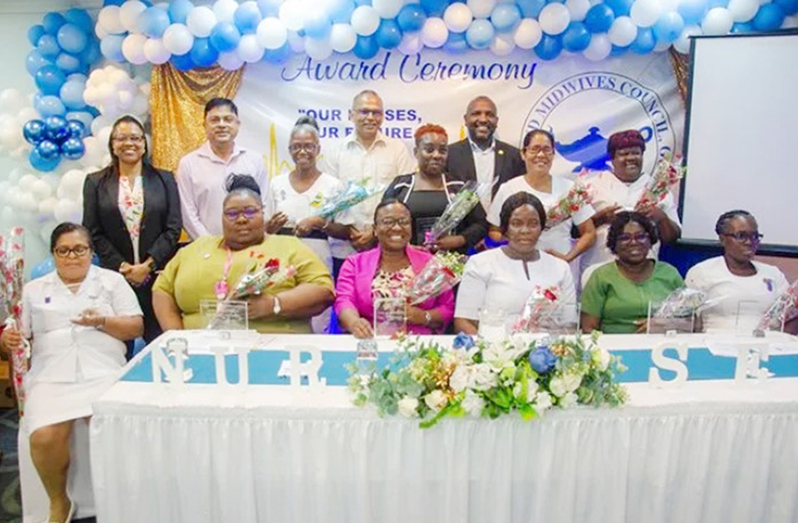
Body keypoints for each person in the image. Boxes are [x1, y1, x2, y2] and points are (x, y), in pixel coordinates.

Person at [0, 223, 143, 523]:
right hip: (50, 374)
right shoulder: (33, 290)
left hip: (102, 370)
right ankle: (58, 502)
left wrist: (102, 321)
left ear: (91, 252)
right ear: (53, 255)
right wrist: (7, 340)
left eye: (79, 249)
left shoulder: (112, 282)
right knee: (45, 435)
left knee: (110, 426)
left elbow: (136, 327)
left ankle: (117, 501)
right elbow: (18, 338)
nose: (72, 256)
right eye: (63, 251)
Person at [153, 174, 334, 334]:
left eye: (250, 212)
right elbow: (162, 289)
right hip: (200, 351)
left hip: (274, 348)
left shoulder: (289, 246)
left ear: (263, 213)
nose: (241, 219)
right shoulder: (195, 249)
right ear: (222, 217)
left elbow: (323, 291)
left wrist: (274, 305)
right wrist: (176, 338)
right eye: (232, 214)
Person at [82, 115, 182, 348]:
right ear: (113, 145)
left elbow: (173, 227)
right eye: (121, 138)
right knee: (117, 347)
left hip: (157, 277)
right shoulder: (95, 182)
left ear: (144, 144)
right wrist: (124, 267)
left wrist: (147, 265)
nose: (129, 143)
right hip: (115, 278)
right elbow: (92, 231)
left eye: (135, 138)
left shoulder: (164, 179)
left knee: (162, 344)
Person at [269, 116, 354, 332]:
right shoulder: (276, 183)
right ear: (289, 149)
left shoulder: (333, 186)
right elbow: (265, 229)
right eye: (297, 147)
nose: (302, 151)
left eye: (308, 146)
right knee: (283, 314)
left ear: (318, 149)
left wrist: (320, 223)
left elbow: (346, 230)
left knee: (318, 320)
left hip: (318, 256)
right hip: (281, 258)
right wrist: (271, 227)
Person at [454, 192, 575, 335]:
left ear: (541, 228)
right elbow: (464, 322)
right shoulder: (481, 263)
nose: (525, 231)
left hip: (547, 353)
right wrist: (488, 353)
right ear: (505, 228)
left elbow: (570, 325)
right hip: (493, 352)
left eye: (533, 224)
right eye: (516, 223)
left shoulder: (561, 268)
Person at [323, 90, 416, 272]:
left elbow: (406, 198)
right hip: (344, 248)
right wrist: (350, 233)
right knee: (347, 299)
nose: (370, 117)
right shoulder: (335, 151)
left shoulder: (397, 149)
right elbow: (330, 201)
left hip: (388, 249)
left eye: (376, 112)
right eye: (364, 111)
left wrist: (375, 233)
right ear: (351, 115)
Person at [336, 200, 455, 338]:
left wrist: (422, 316)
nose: (397, 228)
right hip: (369, 340)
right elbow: (344, 300)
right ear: (374, 229)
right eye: (388, 222)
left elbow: (447, 307)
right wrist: (354, 323)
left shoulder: (431, 262)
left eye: (403, 222)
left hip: (418, 344)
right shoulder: (355, 263)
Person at [488, 129, 596, 276]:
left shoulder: (570, 189)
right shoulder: (508, 188)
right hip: (516, 269)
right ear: (523, 154)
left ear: (553, 155)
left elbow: (589, 233)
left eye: (546, 150)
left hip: (558, 268)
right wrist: (515, 241)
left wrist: (567, 258)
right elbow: (494, 231)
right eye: (535, 149)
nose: (541, 155)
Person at [579, 129, 681, 276]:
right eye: (624, 154)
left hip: (643, 273)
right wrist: (600, 219)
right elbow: (574, 232)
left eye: (636, 153)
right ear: (612, 158)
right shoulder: (591, 186)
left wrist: (661, 217)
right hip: (599, 268)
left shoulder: (658, 188)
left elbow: (672, 237)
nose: (631, 158)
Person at [176, 97, 274, 239]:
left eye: (228, 119)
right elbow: (187, 214)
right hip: (205, 252)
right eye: (215, 120)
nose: (221, 125)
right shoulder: (188, 164)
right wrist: (211, 246)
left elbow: (263, 206)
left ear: (237, 124)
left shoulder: (255, 160)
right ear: (204, 124)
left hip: (249, 248)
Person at [686, 210, 797, 333]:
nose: (749, 242)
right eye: (741, 236)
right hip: (715, 345)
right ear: (723, 239)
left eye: (754, 236)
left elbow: (789, 317)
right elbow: (687, 320)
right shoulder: (703, 272)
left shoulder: (773, 274)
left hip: (766, 346)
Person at [381, 124, 487, 252]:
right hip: (406, 262)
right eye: (429, 149)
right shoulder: (401, 186)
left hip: (451, 263)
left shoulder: (458, 187)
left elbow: (481, 224)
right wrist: (405, 247)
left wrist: (459, 239)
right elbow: (383, 222)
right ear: (416, 152)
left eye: (442, 150)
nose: (436, 155)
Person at [581, 211, 684, 334]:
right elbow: (588, 329)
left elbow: (694, 322)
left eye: (640, 236)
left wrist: (665, 324)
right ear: (614, 244)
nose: (634, 242)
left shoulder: (669, 273)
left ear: (650, 240)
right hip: (613, 349)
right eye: (625, 238)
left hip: (663, 348)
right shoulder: (601, 276)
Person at [445, 96, 525, 211]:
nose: (483, 119)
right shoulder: (449, 154)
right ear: (466, 119)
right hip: (464, 228)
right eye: (476, 113)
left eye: (489, 114)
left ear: (496, 121)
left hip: (502, 227)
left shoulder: (514, 155)